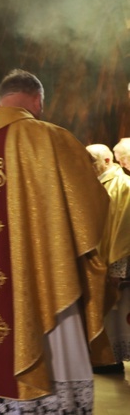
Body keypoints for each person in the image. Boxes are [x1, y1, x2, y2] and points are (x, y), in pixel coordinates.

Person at [0, 69, 115, 415]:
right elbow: (93, 210)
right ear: (38, 101)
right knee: (58, 360)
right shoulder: (50, 139)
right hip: (51, 293)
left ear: (0, 101)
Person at [86, 144, 130, 373]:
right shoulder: (92, 184)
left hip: (113, 263)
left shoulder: (123, 185)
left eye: (92, 162)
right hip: (95, 261)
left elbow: (124, 230)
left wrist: (117, 268)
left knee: (116, 314)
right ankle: (101, 356)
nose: (88, 167)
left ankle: (112, 359)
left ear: (106, 161)